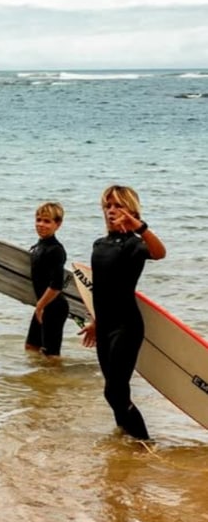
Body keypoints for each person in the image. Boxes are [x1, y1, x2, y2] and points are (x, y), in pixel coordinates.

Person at [80, 185, 166, 440]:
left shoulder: (134, 245)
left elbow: (160, 253)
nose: (111, 210)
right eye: (108, 206)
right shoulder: (100, 244)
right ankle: (125, 438)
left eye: (118, 205)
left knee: (114, 391)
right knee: (116, 392)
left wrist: (139, 226)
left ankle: (143, 443)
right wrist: (95, 321)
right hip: (105, 326)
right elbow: (102, 289)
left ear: (131, 209)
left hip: (126, 326)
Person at [25, 201, 69, 358]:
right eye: (38, 220)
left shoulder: (56, 250)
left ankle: (58, 379)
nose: (41, 225)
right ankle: (41, 381)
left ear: (58, 224)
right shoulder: (38, 246)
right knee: (31, 347)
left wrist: (40, 305)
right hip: (43, 305)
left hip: (54, 307)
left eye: (47, 221)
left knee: (51, 355)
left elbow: (57, 285)